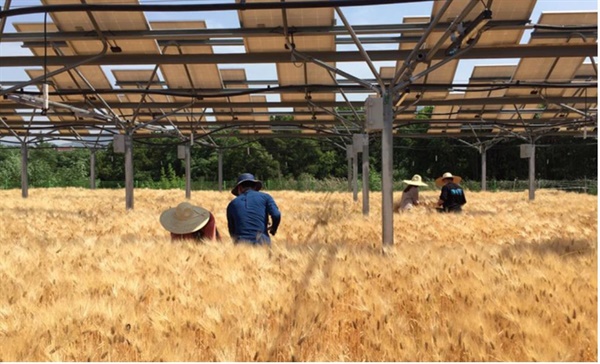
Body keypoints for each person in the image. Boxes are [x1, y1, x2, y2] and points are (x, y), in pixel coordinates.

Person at [227, 173, 281, 245]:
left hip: (241, 245)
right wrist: (273, 229)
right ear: (255, 187)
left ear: (239, 188)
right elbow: (276, 215)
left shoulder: (232, 204)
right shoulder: (266, 197)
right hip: (262, 242)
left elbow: (232, 231)